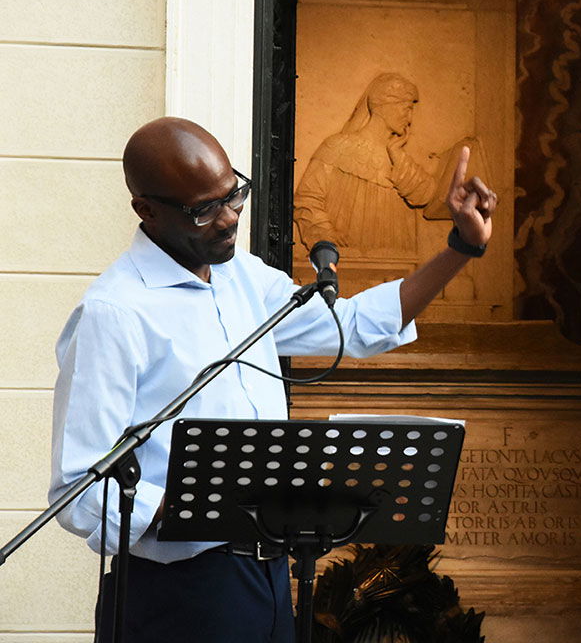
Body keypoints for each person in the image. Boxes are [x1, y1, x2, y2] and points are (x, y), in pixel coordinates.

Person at [48, 117, 497, 642]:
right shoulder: (115, 312)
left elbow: (350, 327)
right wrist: (208, 506)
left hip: (270, 575)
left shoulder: (243, 277)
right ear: (146, 210)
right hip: (181, 592)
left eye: (233, 195)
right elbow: (78, 489)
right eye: (204, 209)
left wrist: (460, 249)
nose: (229, 218)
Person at [293, 73, 439, 252]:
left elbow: (424, 195)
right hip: (346, 260)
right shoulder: (338, 146)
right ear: (385, 107)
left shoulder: (397, 157)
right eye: (406, 109)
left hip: (398, 262)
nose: (409, 119)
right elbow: (307, 199)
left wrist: (397, 156)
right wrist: (326, 236)